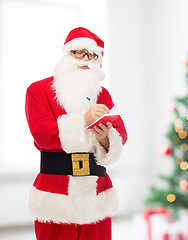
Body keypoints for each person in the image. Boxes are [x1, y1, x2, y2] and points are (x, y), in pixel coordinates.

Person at [25, 27, 127, 240]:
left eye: (91, 54)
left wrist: (104, 138)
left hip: (97, 193)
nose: (85, 59)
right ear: (66, 55)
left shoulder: (103, 95)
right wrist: (84, 121)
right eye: (78, 52)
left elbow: (119, 133)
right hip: (56, 194)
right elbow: (42, 134)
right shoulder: (38, 90)